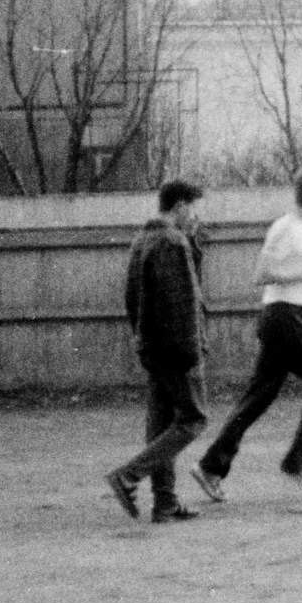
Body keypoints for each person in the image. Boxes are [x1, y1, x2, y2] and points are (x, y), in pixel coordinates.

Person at [197, 164, 302, 502]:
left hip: (295, 316)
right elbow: (261, 274)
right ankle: (295, 460)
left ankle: (210, 467)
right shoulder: (284, 227)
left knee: (258, 398)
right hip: (282, 317)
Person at [109, 179, 211, 519]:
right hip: (176, 350)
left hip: (153, 348)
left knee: (161, 423)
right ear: (180, 205)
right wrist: (191, 352)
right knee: (194, 418)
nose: (196, 216)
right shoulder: (171, 241)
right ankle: (128, 475)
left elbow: (131, 298)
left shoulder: (144, 240)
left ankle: (165, 501)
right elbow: (180, 304)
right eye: (193, 207)